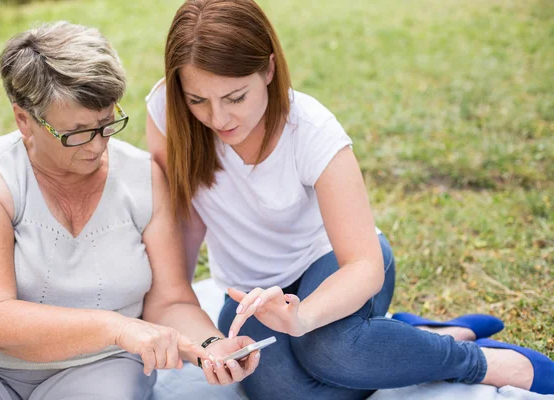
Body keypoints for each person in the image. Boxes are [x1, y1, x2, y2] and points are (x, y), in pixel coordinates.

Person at [145, 0, 554, 399]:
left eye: (235, 97)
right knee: (282, 390)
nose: (218, 119)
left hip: (334, 264)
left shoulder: (311, 129)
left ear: (268, 68)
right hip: (253, 291)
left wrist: (301, 317)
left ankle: (480, 361)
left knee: (331, 351)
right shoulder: (168, 111)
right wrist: (191, 323)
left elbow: (362, 264)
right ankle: (412, 340)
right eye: (198, 100)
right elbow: (182, 227)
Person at [0, 21, 261, 400]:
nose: (97, 146)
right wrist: (116, 327)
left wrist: (211, 344)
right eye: (77, 132)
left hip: (100, 365)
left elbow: (170, 301)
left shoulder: (142, 178)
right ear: (24, 121)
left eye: (106, 123)